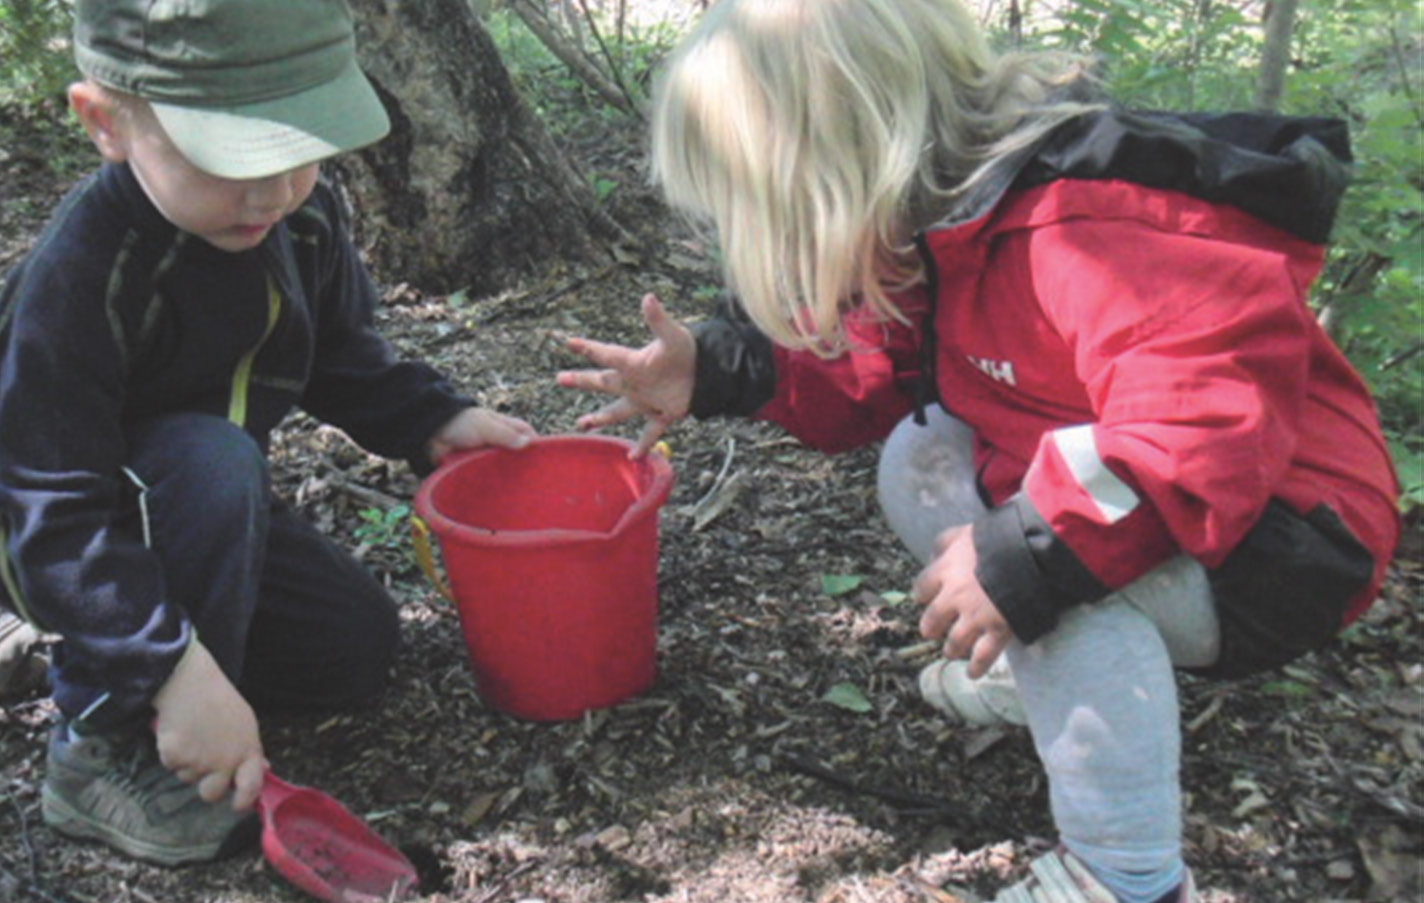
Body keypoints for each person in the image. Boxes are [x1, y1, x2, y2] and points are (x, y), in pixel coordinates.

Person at [556, 0, 1401, 900]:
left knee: (1044, 579)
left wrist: (1022, 563)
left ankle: (1126, 875)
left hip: (1279, 539)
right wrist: (721, 367)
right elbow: (877, 378)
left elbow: (1196, 435)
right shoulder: (940, 230)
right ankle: (1051, 665)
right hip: (1146, 500)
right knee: (922, 453)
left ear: (839, 168)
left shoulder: (1093, 227)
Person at [0, 0, 536, 867]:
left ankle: (126, 652)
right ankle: (99, 746)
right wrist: (169, 669)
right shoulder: (83, 278)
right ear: (106, 124)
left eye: (299, 149)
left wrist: (430, 418)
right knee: (208, 459)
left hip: (197, 518)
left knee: (351, 647)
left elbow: (335, 351)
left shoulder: (301, 214)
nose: (272, 191)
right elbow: (52, 502)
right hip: (59, 534)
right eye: (229, 157)